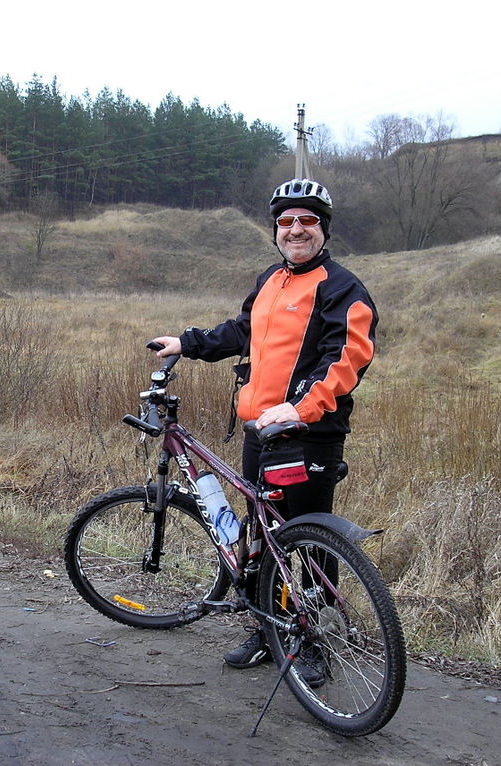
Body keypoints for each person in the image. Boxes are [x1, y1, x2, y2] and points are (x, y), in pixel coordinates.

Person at [151, 178, 378, 671]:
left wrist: (300, 407)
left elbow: (348, 357)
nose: (296, 229)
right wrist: (188, 343)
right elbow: (243, 330)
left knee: (311, 539)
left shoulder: (341, 288)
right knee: (262, 537)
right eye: (286, 221)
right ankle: (268, 630)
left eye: (307, 220)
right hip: (259, 432)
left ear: (324, 228)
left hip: (308, 435)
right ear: (275, 230)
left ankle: (316, 643)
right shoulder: (271, 280)